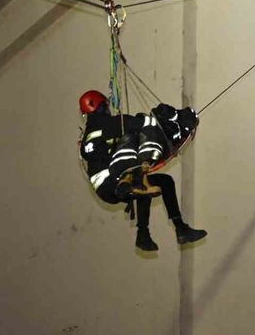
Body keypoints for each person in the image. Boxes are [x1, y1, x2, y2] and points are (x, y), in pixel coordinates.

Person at [79, 90, 207, 251]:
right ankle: (127, 181)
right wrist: (166, 121)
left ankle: (158, 232)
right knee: (131, 138)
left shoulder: (89, 133)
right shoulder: (108, 123)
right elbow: (143, 123)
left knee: (163, 182)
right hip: (113, 181)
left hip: (105, 188)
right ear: (102, 106)